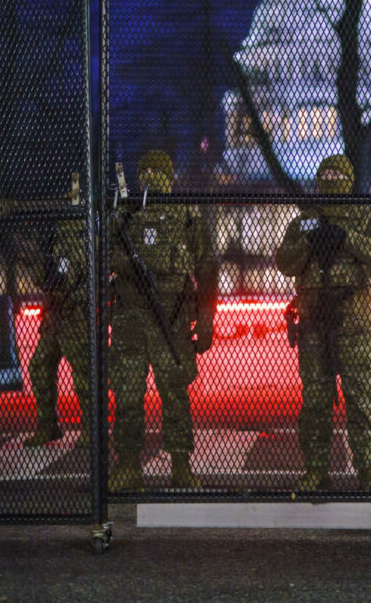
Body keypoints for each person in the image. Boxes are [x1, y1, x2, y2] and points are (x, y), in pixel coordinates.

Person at [275, 154, 371, 492]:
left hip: (355, 326)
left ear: (349, 178)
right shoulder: (305, 222)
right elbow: (283, 261)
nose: (330, 178)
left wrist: (347, 238)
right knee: (315, 401)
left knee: (361, 400)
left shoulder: (366, 218)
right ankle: (316, 471)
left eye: (336, 173)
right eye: (324, 172)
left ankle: (369, 473)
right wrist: (308, 245)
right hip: (313, 325)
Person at [107, 150, 217, 492]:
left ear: (171, 178)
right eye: (147, 170)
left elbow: (207, 266)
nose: (152, 175)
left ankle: (181, 465)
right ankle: (127, 465)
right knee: (126, 395)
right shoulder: (123, 214)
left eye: (160, 170)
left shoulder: (185, 215)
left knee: (175, 395)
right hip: (129, 321)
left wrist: (206, 318)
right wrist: (124, 262)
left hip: (171, 320)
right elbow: (99, 254)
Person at [22, 217, 92, 450]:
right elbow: (43, 278)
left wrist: (72, 293)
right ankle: (48, 424)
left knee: (83, 372)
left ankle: (91, 429)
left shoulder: (87, 229)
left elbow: (89, 275)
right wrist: (36, 256)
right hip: (55, 311)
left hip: (77, 313)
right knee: (40, 366)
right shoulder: (53, 233)